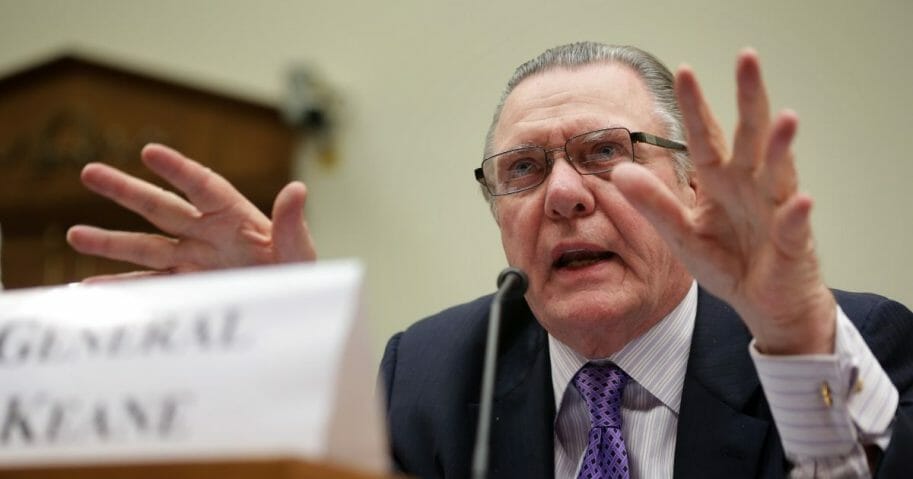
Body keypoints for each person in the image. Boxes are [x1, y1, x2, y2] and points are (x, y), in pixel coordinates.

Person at [66, 43, 912, 478]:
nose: (564, 195)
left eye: (605, 151)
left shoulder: (848, 341)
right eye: (524, 169)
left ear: (692, 187)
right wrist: (278, 349)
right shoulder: (430, 375)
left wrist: (797, 335)